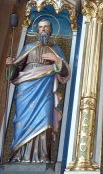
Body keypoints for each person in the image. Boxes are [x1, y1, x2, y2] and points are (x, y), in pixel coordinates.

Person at [5, 19, 70, 163]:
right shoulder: (29, 46)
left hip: (45, 89)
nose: (43, 29)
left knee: (45, 119)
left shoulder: (57, 50)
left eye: (46, 27)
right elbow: (16, 71)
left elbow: (65, 73)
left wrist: (57, 60)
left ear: (51, 30)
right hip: (26, 90)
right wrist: (10, 66)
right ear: (37, 30)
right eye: (40, 27)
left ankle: (43, 156)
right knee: (22, 120)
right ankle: (18, 155)